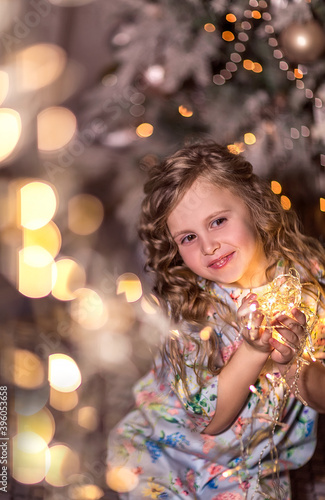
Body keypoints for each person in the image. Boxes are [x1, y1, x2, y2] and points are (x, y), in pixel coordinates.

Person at [107, 142, 325, 500]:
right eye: (189, 238)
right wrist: (254, 351)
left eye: (218, 221)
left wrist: (290, 366)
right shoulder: (193, 313)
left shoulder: (306, 289)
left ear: (254, 207)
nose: (208, 246)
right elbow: (211, 420)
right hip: (169, 454)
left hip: (252, 466)